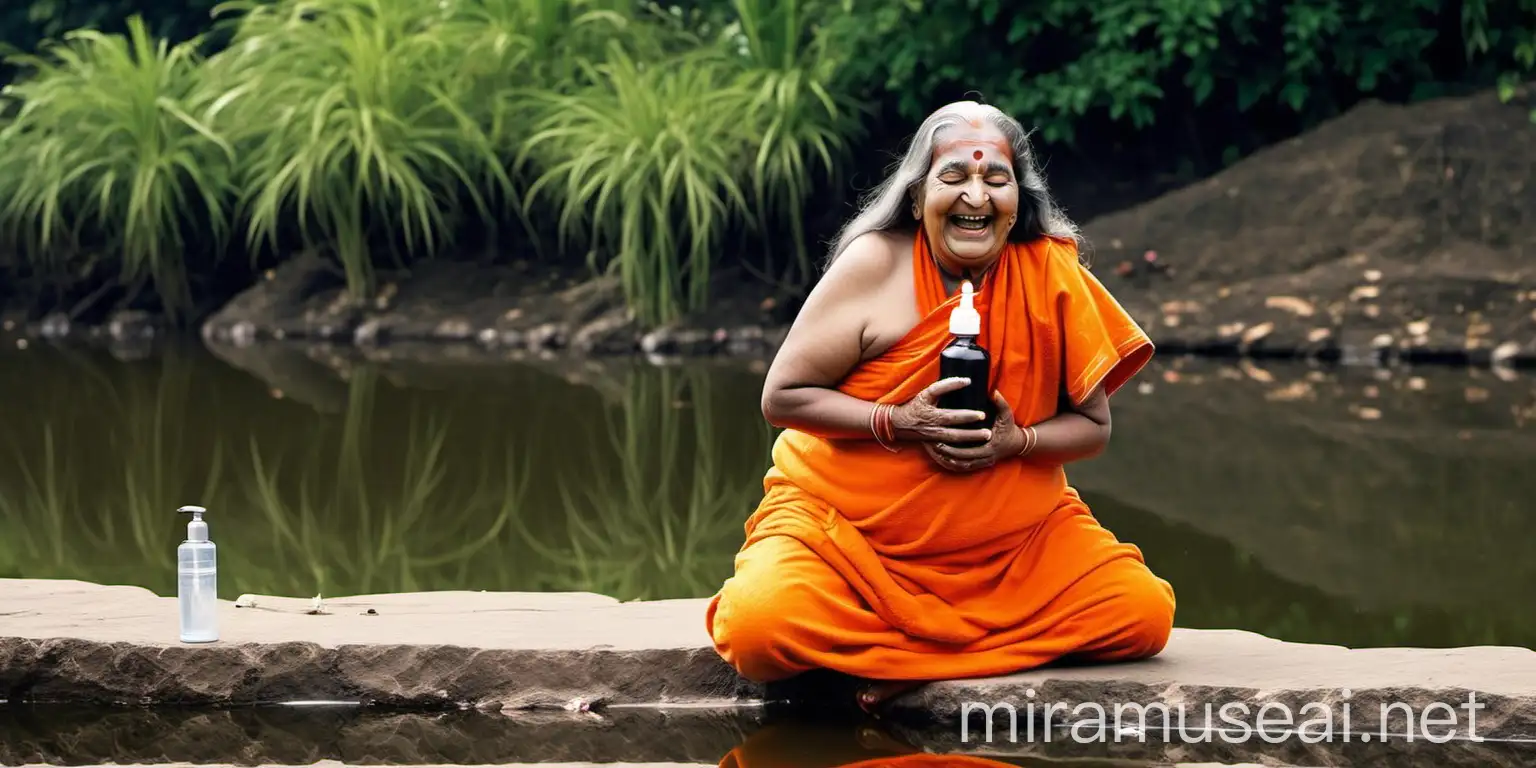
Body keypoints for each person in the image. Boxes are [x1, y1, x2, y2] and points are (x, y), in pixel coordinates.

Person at [703, 100, 1175, 711]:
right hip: (847, 542)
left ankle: (892, 667)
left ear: (1018, 201)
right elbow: (782, 398)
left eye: (995, 180)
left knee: (1140, 613)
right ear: (918, 192)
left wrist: (1017, 442)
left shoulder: (1051, 271)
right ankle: (939, 660)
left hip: (1013, 549)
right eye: (953, 177)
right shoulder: (875, 263)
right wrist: (897, 422)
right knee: (758, 628)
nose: (975, 196)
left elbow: (1091, 428)